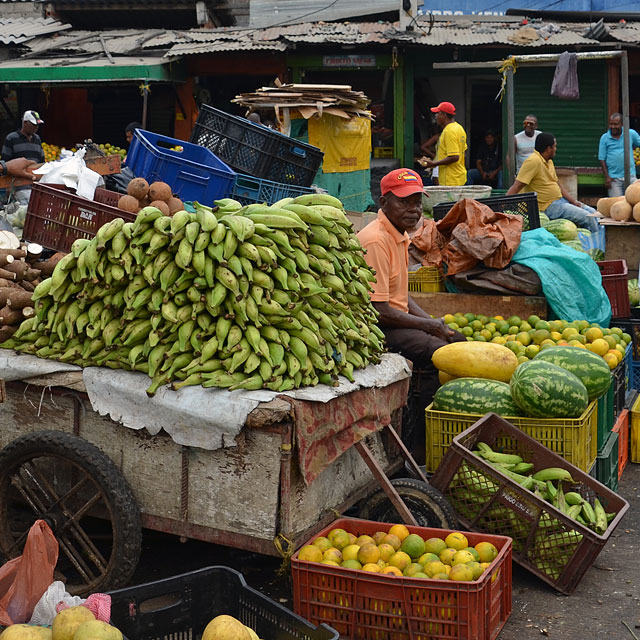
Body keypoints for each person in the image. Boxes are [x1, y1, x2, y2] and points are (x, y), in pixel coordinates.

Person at [357, 168, 466, 458]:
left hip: (392, 318)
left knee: (459, 341)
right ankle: (420, 446)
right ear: (383, 203)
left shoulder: (400, 235)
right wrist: (430, 328)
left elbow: (401, 297)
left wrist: (431, 321)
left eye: (417, 202)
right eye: (404, 202)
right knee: (437, 354)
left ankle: (454, 426)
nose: (414, 209)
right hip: (373, 327)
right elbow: (378, 310)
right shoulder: (376, 240)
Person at [506, 132, 600, 233]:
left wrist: (574, 201)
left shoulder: (548, 161)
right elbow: (517, 185)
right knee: (588, 218)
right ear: (548, 148)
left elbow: (557, 184)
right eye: (554, 146)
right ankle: (597, 244)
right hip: (548, 207)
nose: (556, 149)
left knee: (595, 213)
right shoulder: (533, 162)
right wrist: (503, 204)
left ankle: (598, 238)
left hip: (560, 202)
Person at [1, 110, 45, 205]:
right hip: (18, 186)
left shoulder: (37, 139)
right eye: (33, 125)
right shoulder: (12, 138)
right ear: (25, 123)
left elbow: (41, 161)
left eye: (37, 125)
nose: (36, 127)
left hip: (35, 185)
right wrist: (8, 185)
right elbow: (5, 164)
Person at [421, 102, 467, 186]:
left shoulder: (449, 131)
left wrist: (433, 163)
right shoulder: (459, 128)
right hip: (458, 177)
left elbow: (454, 157)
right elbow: (463, 153)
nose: (435, 116)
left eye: (437, 113)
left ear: (444, 115)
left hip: (450, 179)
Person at [598, 112, 640, 196]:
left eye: (615, 124)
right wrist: (607, 177)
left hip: (630, 175)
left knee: (634, 200)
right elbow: (601, 158)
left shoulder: (630, 133)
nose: (613, 127)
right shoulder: (605, 138)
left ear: (622, 124)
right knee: (616, 204)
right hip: (614, 179)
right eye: (611, 124)